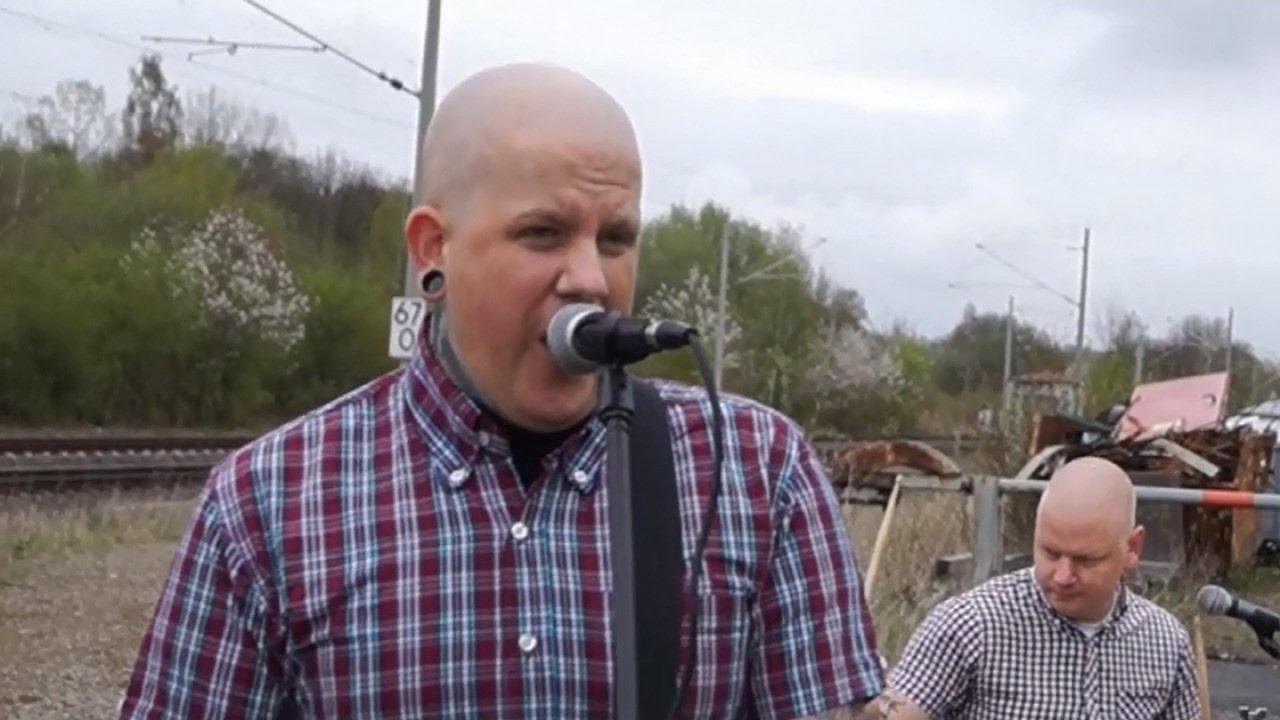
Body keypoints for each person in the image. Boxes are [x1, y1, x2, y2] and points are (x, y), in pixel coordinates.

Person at [117, 62, 885, 719]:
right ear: (433, 249)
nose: (591, 278)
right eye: (543, 234)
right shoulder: (265, 502)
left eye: (615, 239)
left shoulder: (757, 468)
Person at [870, 456, 1201, 719]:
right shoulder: (970, 624)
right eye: (1050, 553)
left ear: (1133, 548)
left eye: (1086, 561)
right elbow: (897, 712)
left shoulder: (1166, 643)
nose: (1062, 576)